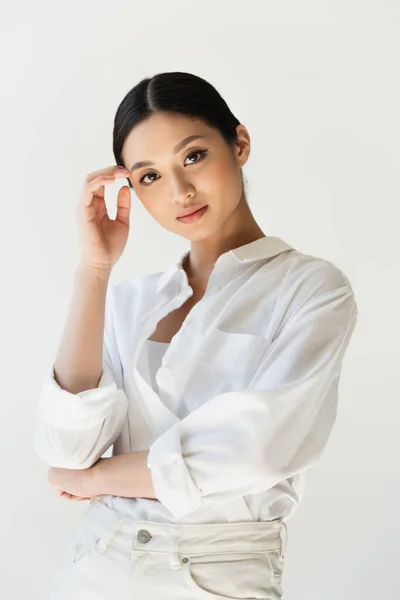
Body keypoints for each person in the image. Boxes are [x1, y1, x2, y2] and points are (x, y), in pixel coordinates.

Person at [34, 71, 358, 599]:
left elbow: (253, 452)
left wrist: (97, 479)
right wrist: (94, 272)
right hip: (94, 564)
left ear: (239, 143)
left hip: (217, 573)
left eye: (193, 157)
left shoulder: (311, 289)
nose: (180, 191)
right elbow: (67, 451)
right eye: (150, 177)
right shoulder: (129, 301)